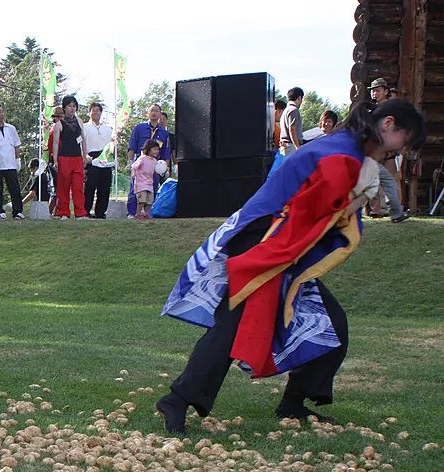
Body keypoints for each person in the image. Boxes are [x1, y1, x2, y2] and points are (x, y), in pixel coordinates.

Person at [156, 99, 425, 434]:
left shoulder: (348, 152)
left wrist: (353, 198)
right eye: (405, 139)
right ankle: (178, 400)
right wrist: (355, 200)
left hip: (283, 242)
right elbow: (311, 215)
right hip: (267, 239)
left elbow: (318, 217)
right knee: (234, 323)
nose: (403, 150)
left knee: (330, 322)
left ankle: (295, 402)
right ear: (388, 125)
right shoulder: (342, 156)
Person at [366, 79, 407, 223]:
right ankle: (376, 210)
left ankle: (395, 211)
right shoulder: (370, 110)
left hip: (388, 150)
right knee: (374, 181)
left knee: (392, 180)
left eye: (377, 90)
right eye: (373, 90)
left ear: (385, 91)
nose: (374, 93)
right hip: (375, 150)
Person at [126, 104, 171, 217]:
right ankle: (132, 213)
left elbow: (166, 151)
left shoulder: (164, 133)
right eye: (152, 111)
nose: (154, 113)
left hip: (154, 165)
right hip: (140, 162)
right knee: (135, 188)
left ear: (160, 114)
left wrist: (166, 167)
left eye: (157, 111)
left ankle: (147, 213)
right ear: (148, 113)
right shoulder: (139, 128)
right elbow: (132, 146)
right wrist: (130, 162)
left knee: (152, 188)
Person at [50, 95, 90, 220]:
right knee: (63, 186)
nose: (72, 109)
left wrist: (84, 156)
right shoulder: (59, 124)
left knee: (78, 186)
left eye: (74, 106)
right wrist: (55, 160)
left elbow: (83, 140)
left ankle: (80, 213)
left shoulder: (79, 122)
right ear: (64, 108)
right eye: (69, 106)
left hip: (77, 158)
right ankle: (63, 212)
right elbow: (55, 143)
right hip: (64, 158)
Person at [83, 102, 114, 219]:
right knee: (90, 186)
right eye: (93, 110)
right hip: (91, 158)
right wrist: (85, 156)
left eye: (98, 110)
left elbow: (111, 144)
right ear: (89, 112)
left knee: (105, 186)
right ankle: (85, 210)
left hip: (105, 158)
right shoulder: (85, 127)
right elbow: (82, 142)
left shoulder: (107, 129)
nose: (96, 112)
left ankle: (100, 212)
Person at [131, 141, 160, 219]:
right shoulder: (142, 158)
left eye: (157, 149)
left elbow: (156, 169)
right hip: (141, 183)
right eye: (154, 149)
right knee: (142, 200)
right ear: (149, 149)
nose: (157, 151)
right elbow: (134, 166)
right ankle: (138, 214)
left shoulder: (154, 161)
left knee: (150, 201)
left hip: (149, 183)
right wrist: (134, 174)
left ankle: (146, 214)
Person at [279, 88, 304, 156]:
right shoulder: (293, 110)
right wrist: (297, 147)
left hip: (285, 146)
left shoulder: (285, 110)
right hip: (291, 146)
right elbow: (292, 128)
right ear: (299, 98)